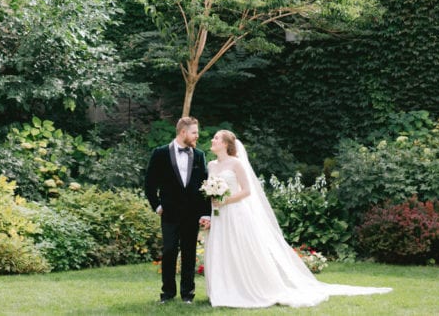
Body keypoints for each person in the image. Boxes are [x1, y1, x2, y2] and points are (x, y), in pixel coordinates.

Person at [203, 129, 392, 308]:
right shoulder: (211, 165)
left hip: (235, 213)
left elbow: (246, 191)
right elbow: (210, 189)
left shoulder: (236, 164)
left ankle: (245, 289)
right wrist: (213, 199)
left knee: (239, 250)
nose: (213, 140)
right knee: (221, 248)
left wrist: (226, 199)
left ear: (227, 144)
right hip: (219, 215)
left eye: (217, 138)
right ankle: (224, 289)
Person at [145, 116, 211, 304]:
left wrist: (205, 212)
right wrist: (157, 206)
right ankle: (167, 293)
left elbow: (205, 186)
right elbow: (149, 183)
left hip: (192, 214)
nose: (197, 135)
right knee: (169, 251)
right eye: (194, 132)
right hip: (170, 214)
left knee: (189, 253)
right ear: (183, 132)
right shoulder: (160, 153)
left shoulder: (199, 155)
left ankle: (187, 294)